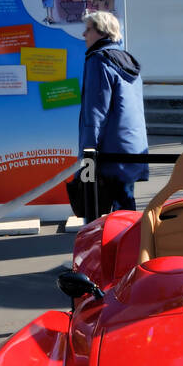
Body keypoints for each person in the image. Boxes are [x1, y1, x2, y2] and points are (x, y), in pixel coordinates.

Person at [77, 11, 148, 214]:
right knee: (125, 205)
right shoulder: (126, 60)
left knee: (96, 208)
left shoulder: (98, 61)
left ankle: (113, 244)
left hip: (109, 149)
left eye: (88, 29)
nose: (84, 35)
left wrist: (87, 152)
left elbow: (95, 112)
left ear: (101, 32)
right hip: (131, 147)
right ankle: (128, 242)